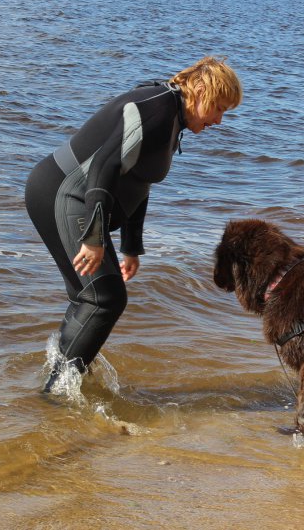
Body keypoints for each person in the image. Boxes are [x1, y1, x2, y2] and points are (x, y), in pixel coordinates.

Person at [25, 56, 243, 392]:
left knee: (91, 297)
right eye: (219, 107)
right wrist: (95, 237)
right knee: (104, 298)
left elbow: (138, 182)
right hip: (63, 194)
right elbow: (104, 167)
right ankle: (57, 394)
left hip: (72, 197)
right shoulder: (156, 111)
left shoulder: (171, 116)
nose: (219, 119)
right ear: (199, 91)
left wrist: (131, 247)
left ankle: (61, 378)